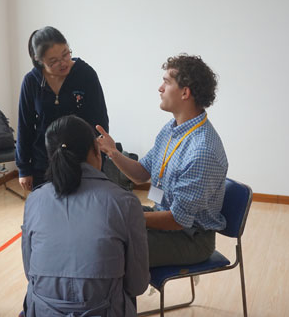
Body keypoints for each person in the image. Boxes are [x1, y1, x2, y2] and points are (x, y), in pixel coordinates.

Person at [96, 54, 228, 267]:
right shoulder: (172, 129)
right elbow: (141, 174)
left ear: (185, 92)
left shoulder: (202, 151)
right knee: (103, 223)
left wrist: (130, 217)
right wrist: (113, 153)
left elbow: (178, 220)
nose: (160, 88)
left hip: (190, 238)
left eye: (166, 82)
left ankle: (117, 299)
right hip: (165, 219)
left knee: (111, 244)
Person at [21, 115, 149, 317]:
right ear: (96, 151)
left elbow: (30, 274)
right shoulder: (124, 202)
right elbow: (138, 285)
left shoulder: (34, 201)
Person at [16, 26, 109, 191]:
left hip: (83, 160)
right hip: (44, 162)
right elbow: (25, 127)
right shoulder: (31, 82)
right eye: (53, 61)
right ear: (39, 60)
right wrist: (23, 168)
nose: (63, 63)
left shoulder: (85, 74)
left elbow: (100, 121)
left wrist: (98, 159)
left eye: (66, 54)